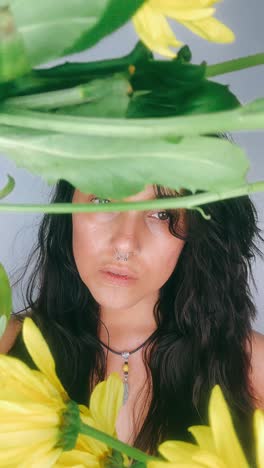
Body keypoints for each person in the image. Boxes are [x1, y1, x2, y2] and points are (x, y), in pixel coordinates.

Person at [1, 180, 264, 465]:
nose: (125, 242)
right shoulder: (6, 348)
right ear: (68, 208)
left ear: (195, 225)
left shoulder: (253, 369)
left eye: (162, 213)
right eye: (102, 200)